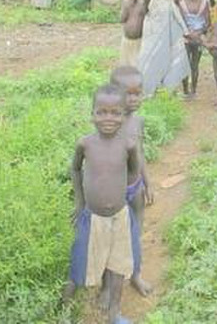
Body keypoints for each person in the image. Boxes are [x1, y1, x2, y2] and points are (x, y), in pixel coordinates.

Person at [65, 83, 140, 324]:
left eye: (115, 113)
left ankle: (114, 313)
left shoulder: (128, 145)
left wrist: (123, 196)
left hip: (119, 216)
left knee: (117, 266)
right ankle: (65, 311)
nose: (108, 118)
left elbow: (133, 172)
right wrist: (80, 201)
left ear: (123, 115)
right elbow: (75, 170)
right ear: (92, 115)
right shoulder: (85, 144)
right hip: (91, 217)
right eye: (101, 112)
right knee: (79, 265)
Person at [109, 66, 154, 297]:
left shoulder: (138, 122)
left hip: (135, 187)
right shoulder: (109, 126)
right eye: (129, 93)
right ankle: (109, 285)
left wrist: (148, 182)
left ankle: (136, 275)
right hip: (114, 193)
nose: (136, 98)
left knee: (136, 232)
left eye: (139, 92)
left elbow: (140, 152)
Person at [137, 0, 190, 96]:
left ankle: (166, 87)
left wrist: (184, 31)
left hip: (169, 33)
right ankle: (150, 86)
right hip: (153, 33)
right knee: (151, 56)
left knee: (167, 58)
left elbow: (178, 14)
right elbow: (145, 11)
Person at [179, 0, 210, 98]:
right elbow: (180, 21)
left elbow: (208, 22)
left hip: (199, 37)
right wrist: (188, 33)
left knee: (195, 64)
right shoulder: (182, 3)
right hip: (185, 38)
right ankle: (185, 90)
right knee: (184, 64)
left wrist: (199, 32)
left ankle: (194, 90)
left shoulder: (204, 3)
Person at [119, 0, 145, 66]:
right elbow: (122, 20)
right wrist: (126, 9)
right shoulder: (125, 4)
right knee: (126, 63)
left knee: (137, 63)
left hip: (139, 40)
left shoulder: (142, 5)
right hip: (127, 39)